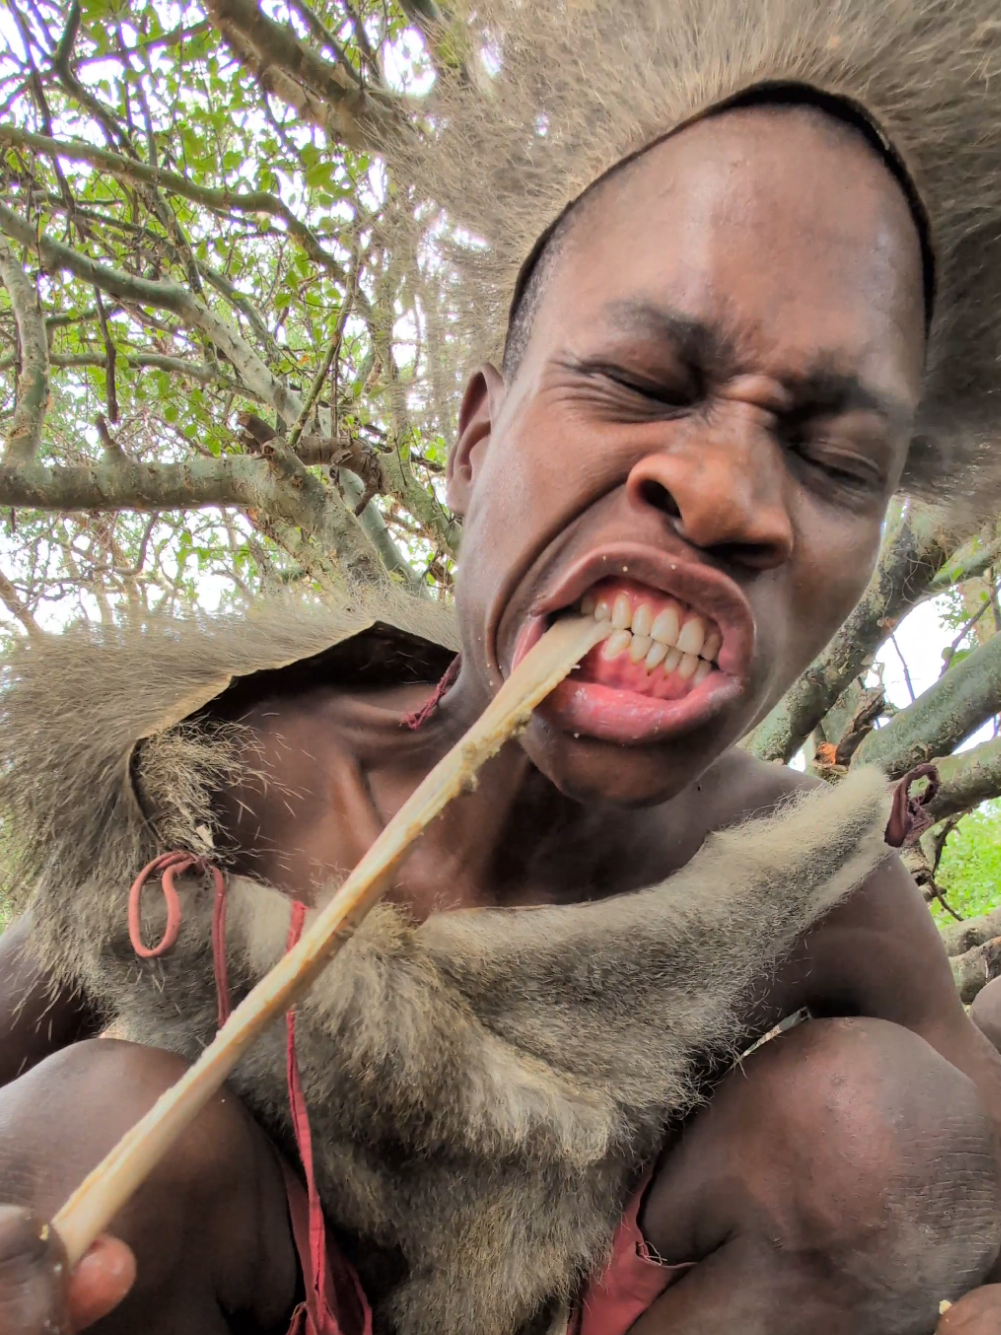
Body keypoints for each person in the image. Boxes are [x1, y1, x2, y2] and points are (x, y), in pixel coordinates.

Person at [3, 10, 1001, 1334]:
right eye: (644, 378)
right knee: (79, 1140)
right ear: (475, 443)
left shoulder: (800, 885)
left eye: (834, 460)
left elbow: (977, 1177)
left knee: (890, 1133)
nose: (725, 492)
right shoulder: (225, 799)